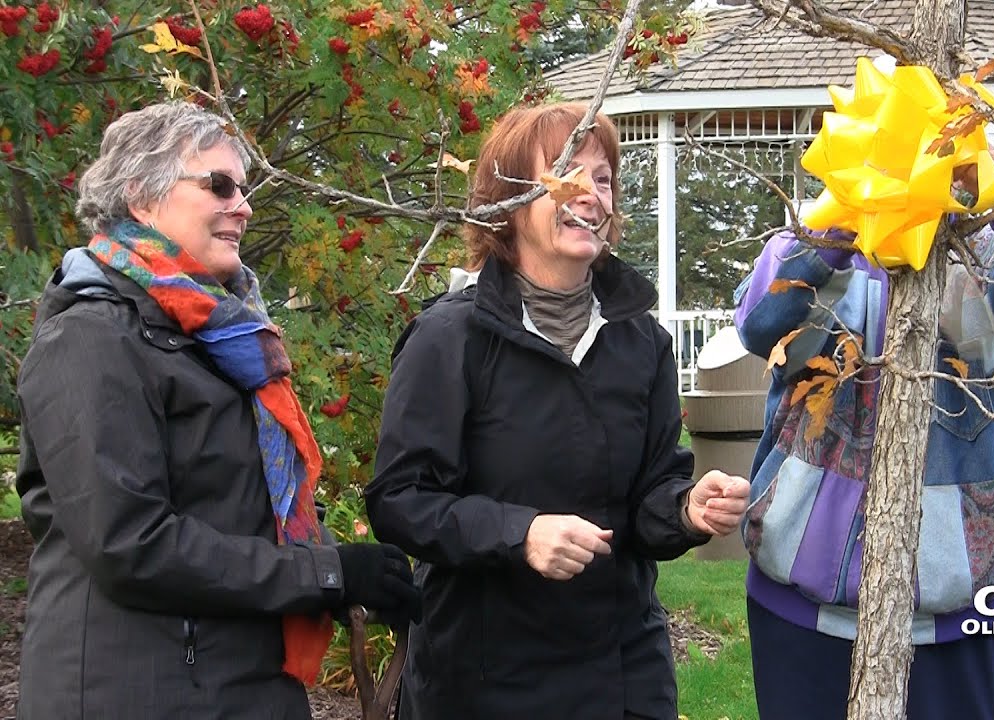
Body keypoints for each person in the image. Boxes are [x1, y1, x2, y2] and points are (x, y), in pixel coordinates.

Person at [14, 101, 421, 720]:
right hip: (136, 697)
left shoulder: (221, 339)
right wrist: (327, 573)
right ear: (141, 196)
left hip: (239, 684)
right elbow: (131, 544)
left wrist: (353, 577)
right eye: (220, 185)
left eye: (245, 188)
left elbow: (241, 511)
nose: (244, 206)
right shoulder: (91, 338)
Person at [365, 102, 751, 719]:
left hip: (623, 677)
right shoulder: (450, 339)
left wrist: (686, 508)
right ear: (510, 201)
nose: (591, 195)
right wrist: (520, 533)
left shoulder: (642, 343)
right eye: (567, 175)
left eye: (603, 179)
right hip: (484, 683)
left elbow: (649, 499)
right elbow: (399, 501)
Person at [734, 151, 994, 719]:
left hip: (959, 625)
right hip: (800, 619)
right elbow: (761, 324)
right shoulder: (821, 235)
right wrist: (847, 212)